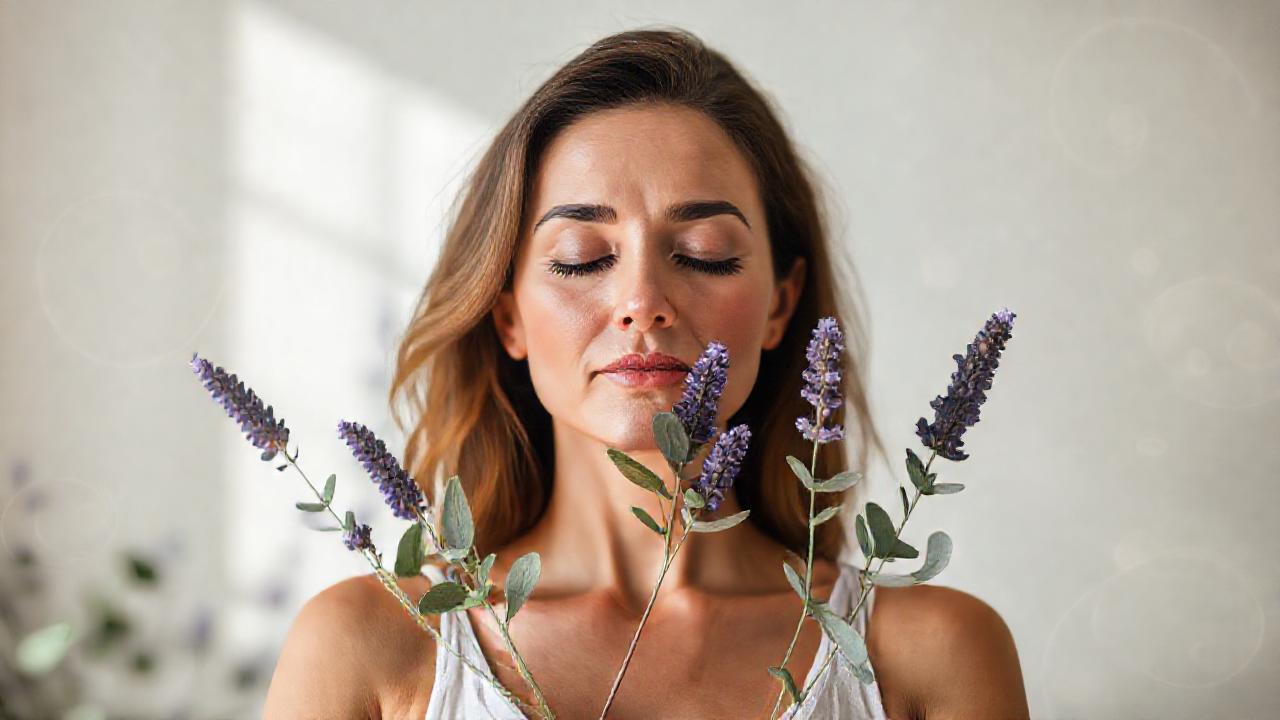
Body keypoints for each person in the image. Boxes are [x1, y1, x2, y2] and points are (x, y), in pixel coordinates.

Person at [264, 27, 1029, 720]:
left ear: (779, 305)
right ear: (507, 316)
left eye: (703, 254)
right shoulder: (374, 648)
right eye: (581, 259)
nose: (642, 302)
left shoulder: (930, 654)